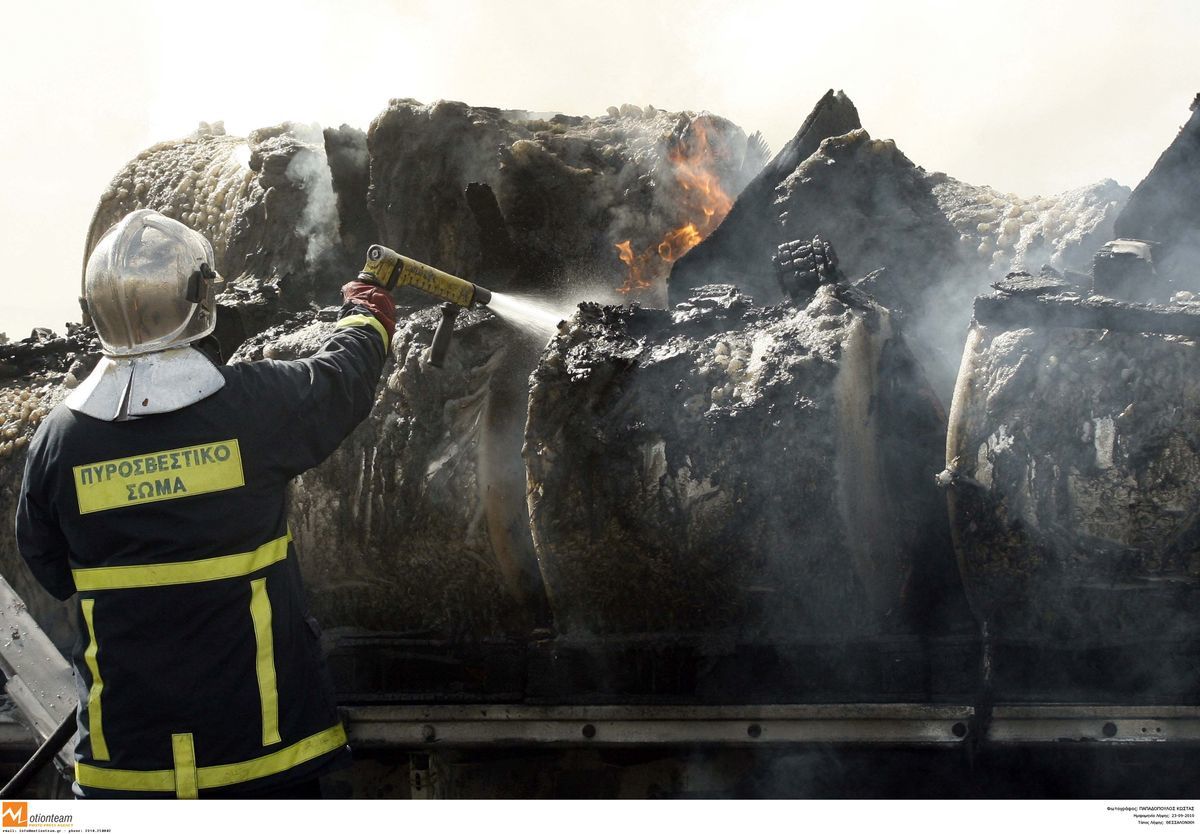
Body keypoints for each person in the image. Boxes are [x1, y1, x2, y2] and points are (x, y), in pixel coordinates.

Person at [15, 209, 396, 798]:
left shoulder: (60, 440)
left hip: (126, 769)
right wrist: (366, 319)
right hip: (261, 757)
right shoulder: (250, 409)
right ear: (198, 298)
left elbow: (50, 570)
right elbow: (338, 383)